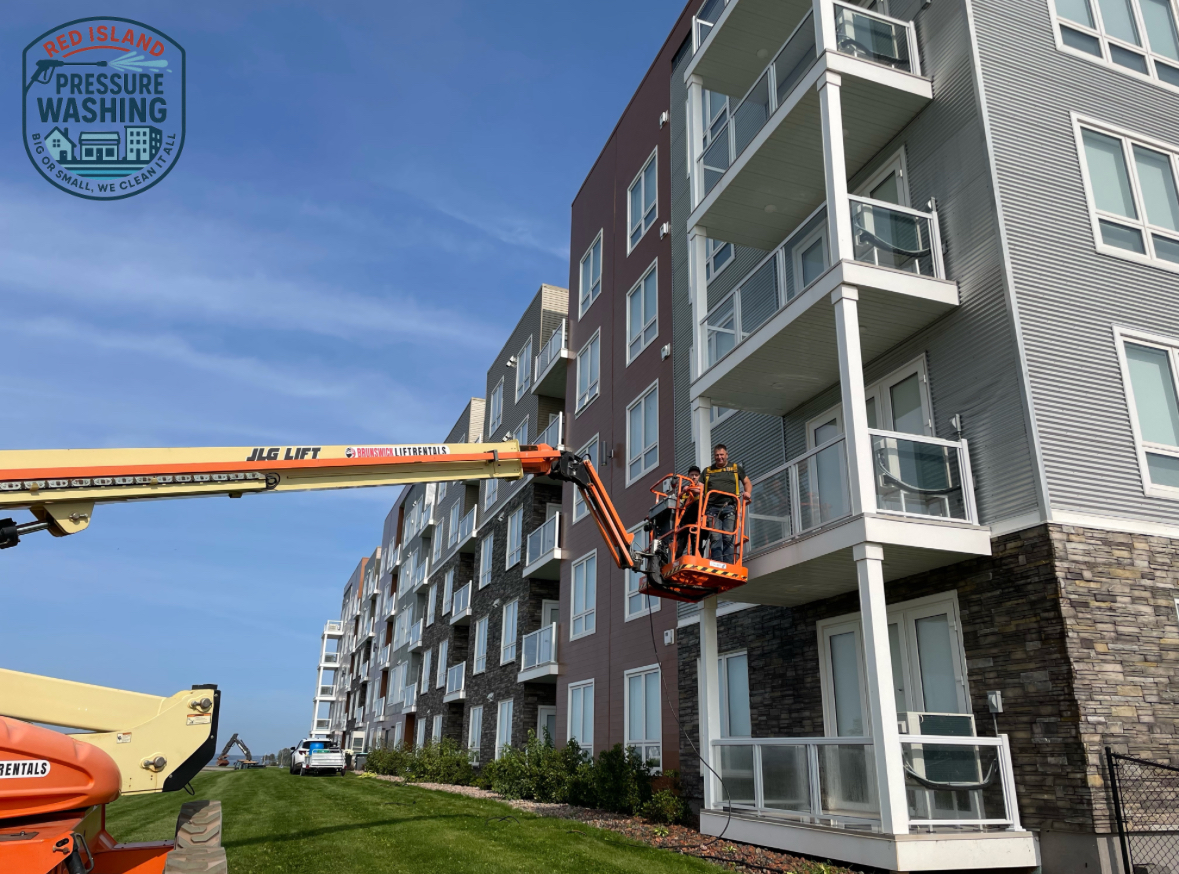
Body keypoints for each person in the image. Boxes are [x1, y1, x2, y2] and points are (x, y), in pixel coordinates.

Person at [701, 444, 752, 564]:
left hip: (729, 507)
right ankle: (717, 563)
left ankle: (728, 564)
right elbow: (700, 487)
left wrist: (747, 493)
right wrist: (690, 488)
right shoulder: (707, 471)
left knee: (728, 537)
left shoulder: (735, 468)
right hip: (712, 509)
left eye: (721, 455)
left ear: (726, 455)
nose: (719, 457)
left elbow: (747, 482)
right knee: (715, 537)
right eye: (717, 455)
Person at [676, 465, 703, 559]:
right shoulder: (683, 489)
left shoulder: (701, 486)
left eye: (696, 475)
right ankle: (676, 559)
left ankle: (697, 559)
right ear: (688, 476)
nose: (694, 477)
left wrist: (689, 489)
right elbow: (678, 503)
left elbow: (701, 491)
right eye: (692, 475)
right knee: (680, 543)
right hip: (684, 519)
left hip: (696, 519)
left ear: (699, 476)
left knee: (696, 542)